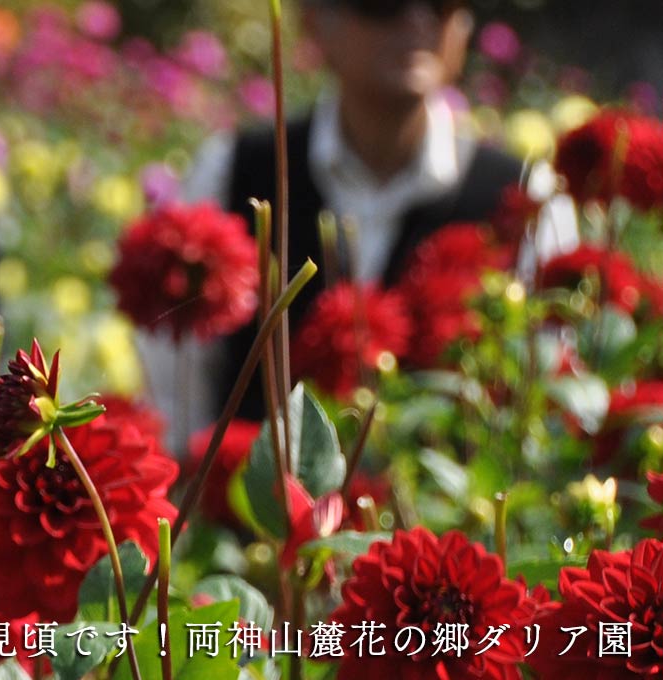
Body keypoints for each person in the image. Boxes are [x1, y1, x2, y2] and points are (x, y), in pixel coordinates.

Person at [140, 0, 578, 450]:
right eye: (383, 5)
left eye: (443, 4)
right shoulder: (232, 172)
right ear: (315, 22)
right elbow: (177, 399)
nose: (417, 19)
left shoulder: (526, 196)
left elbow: (553, 407)